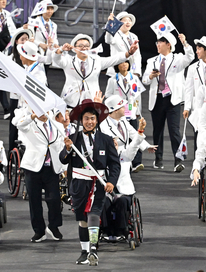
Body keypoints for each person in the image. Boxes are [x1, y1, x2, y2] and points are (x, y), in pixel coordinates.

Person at [62, 99, 121, 266]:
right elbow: (63, 160)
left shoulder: (107, 139)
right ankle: (84, 251)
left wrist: (111, 182)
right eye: (86, 118)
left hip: (99, 184)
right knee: (82, 219)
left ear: (97, 120)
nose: (89, 122)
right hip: (79, 185)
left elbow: (114, 164)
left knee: (94, 214)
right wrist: (67, 149)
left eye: (92, 119)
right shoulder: (73, 139)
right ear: (81, 121)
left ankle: (93, 250)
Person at [98, 95, 155, 239]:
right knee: (104, 201)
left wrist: (146, 145)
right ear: (114, 109)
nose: (125, 108)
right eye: (122, 106)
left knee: (123, 201)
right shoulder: (103, 126)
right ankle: (106, 230)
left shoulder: (123, 121)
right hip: (107, 165)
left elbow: (133, 135)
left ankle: (121, 230)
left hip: (123, 160)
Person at [13, 106, 68, 243]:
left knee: (55, 199)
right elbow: (18, 124)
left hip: (52, 167)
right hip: (33, 167)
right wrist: (32, 117)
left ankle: (54, 227)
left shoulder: (57, 125)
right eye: (39, 112)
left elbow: (61, 146)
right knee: (35, 201)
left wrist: (64, 166)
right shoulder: (30, 124)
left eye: (45, 111)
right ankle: (39, 231)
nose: (43, 114)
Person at [142, 32, 194, 171]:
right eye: (157, 43)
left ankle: (178, 160)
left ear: (168, 44)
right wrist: (151, 76)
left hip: (173, 99)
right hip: (157, 98)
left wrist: (185, 43)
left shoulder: (178, 59)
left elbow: (190, 57)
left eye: (160, 42)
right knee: (157, 130)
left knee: (174, 130)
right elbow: (145, 80)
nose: (157, 45)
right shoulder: (151, 61)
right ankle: (158, 159)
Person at [53, 33, 131, 108]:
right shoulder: (68, 60)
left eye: (87, 46)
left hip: (92, 99)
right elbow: (56, 58)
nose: (84, 48)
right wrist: (61, 50)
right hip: (71, 99)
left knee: (90, 120)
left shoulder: (96, 60)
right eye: (80, 46)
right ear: (74, 48)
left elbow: (114, 59)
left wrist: (129, 53)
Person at [105, 60, 147, 171]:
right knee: (123, 135)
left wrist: (138, 111)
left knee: (135, 134)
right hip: (119, 111)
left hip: (130, 109)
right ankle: (123, 160)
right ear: (117, 66)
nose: (124, 65)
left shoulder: (134, 78)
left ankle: (137, 162)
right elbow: (108, 95)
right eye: (121, 63)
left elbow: (137, 95)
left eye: (126, 63)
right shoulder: (113, 80)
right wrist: (117, 100)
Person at [106, 12, 141, 77]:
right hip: (116, 72)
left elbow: (137, 55)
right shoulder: (115, 34)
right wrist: (110, 24)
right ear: (119, 23)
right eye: (124, 21)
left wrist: (137, 71)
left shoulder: (134, 36)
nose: (128, 22)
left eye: (129, 20)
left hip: (131, 72)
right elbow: (108, 40)